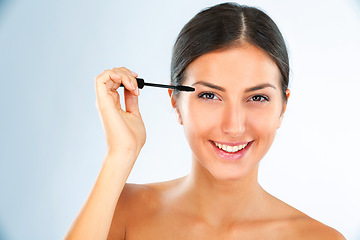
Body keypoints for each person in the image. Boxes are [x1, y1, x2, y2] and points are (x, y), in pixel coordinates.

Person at [66, 3, 345, 239]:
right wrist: (120, 154)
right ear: (175, 101)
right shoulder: (121, 210)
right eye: (210, 95)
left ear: (283, 106)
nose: (234, 126)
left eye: (257, 98)